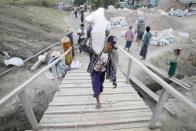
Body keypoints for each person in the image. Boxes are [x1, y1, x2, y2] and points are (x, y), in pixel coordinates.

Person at [79, 39, 108, 108]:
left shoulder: (110, 53)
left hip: (102, 73)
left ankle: (97, 91)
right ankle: (98, 102)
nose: (105, 46)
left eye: (106, 44)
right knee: (96, 87)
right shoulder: (95, 50)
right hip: (94, 72)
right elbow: (82, 46)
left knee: (100, 86)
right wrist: (87, 37)